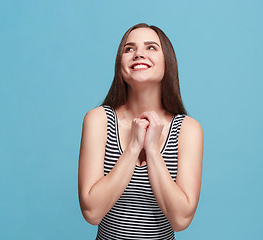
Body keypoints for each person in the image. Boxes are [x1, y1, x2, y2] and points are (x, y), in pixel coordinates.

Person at [78, 23, 203, 240]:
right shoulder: (98, 120)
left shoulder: (187, 129)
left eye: (151, 47)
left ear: (167, 63)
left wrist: (153, 151)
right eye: (129, 49)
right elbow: (92, 212)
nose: (138, 54)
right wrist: (134, 147)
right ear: (120, 64)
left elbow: (181, 220)